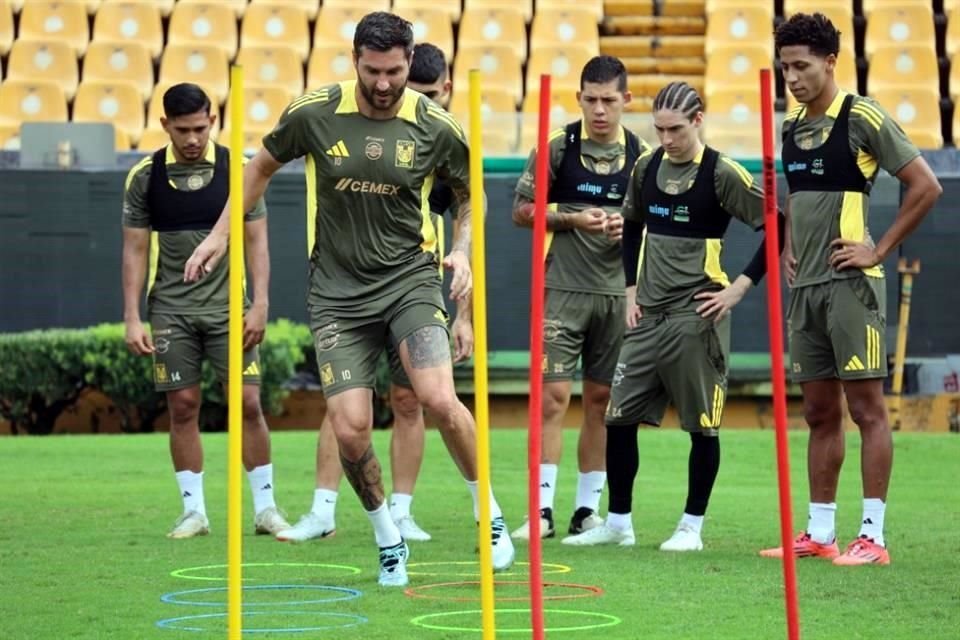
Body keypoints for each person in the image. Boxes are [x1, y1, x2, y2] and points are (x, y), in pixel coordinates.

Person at [181, 12, 515, 586]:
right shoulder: (312, 112)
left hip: (409, 279)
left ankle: (489, 513)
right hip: (336, 293)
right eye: (373, 70)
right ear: (353, 58)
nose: (384, 83)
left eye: (395, 71)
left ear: (410, 62)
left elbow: (469, 195)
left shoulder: (434, 124)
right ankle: (388, 538)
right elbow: (258, 169)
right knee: (352, 427)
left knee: (436, 396)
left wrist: (461, 249)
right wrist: (219, 236)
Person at [563, 81, 783, 551]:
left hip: (696, 316)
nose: (666, 138)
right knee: (617, 417)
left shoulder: (722, 173)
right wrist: (628, 291)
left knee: (702, 426)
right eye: (659, 129)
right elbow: (632, 227)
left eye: (676, 129)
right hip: (647, 314)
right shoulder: (646, 167)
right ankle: (618, 523)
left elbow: (776, 225)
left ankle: (691, 528)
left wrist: (738, 290)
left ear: (698, 120)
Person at [759, 13, 941, 565]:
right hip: (805, 287)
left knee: (866, 410)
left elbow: (925, 185)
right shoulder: (791, 124)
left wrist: (877, 250)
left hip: (850, 287)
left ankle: (874, 538)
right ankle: (819, 533)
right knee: (818, 412)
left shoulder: (861, 116)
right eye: (785, 67)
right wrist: (790, 241)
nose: (792, 78)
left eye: (802, 66)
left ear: (831, 61)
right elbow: (798, 192)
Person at [278, 42, 474, 545]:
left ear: (442, 89)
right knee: (346, 406)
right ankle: (324, 508)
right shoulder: (336, 122)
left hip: (415, 279)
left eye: (417, 88)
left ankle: (403, 512)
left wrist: (465, 315)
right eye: (380, 76)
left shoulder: (437, 136)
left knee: (417, 399)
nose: (393, 91)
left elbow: (466, 229)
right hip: (342, 284)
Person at [121, 83, 290, 539]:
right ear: (165, 127)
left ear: (212, 121)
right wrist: (133, 316)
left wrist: (260, 305)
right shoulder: (145, 176)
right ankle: (194, 512)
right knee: (183, 406)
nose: (192, 138)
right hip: (171, 310)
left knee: (248, 402)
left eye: (199, 128)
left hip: (228, 309)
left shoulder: (240, 171)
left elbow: (257, 241)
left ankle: (266, 509)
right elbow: (135, 249)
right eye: (182, 130)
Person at [509, 55, 650, 540]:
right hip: (562, 291)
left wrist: (625, 229)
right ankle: (541, 510)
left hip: (617, 294)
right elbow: (521, 210)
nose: (599, 110)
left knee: (603, 401)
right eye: (590, 99)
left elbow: (658, 222)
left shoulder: (642, 155)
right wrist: (571, 218)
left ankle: (586, 510)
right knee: (551, 399)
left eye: (609, 100)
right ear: (579, 98)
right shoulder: (557, 147)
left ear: (626, 100)